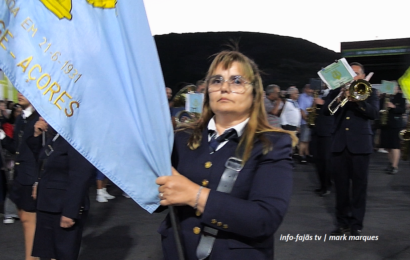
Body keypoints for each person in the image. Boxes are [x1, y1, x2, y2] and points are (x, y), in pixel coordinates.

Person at [156, 50, 295, 260]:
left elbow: (264, 219)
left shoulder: (273, 144)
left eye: (237, 81)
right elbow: (156, 200)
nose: (224, 87)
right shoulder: (180, 138)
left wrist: (195, 195)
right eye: (217, 80)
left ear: (254, 93)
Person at [323, 62, 379, 236]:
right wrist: (340, 97)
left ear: (362, 76)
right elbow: (326, 111)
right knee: (341, 188)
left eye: (355, 73)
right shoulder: (336, 91)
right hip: (339, 145)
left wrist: (358, 101)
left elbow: (374, 114)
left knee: (359, 188)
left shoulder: (370, 91)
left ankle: (356, 225)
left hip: (360, 145)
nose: (352, 76)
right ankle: (342, 223)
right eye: (349, 73)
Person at [30, 118, 94, 260]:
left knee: (64, 255)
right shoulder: (57, 136)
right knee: (46, 253)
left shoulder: (77, 137)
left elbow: (80, 176)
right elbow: (43, 161)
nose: (41, 118)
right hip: (47, 205)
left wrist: (70, 212)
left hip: (63, 207)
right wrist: (36, 136)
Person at [0, 93, 41, 260]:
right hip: (19, 177)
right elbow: (16, 148)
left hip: (32, 178)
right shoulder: (20, 119)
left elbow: (41, 152)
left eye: (25, 90)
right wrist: (2, 136)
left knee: (31, 223)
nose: (19, 94)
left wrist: (38, 180)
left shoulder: (40, 119)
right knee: (24, 221)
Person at [310, 86, 334, 196]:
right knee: (318, 160)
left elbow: (335, 107)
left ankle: (327, 185)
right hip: (317, 131)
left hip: (328, 132)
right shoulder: (321, 93)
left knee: (326, 160)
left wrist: (323, 103)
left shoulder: (335, 93)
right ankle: (322, 185)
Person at [379, 86, 406, 174]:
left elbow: (402, 110)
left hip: (396, 125)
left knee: (395, 146)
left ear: (397, 88)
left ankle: (395, 166)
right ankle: (390, 164)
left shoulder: (401, 97)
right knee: (388, 147)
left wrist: (393, 107)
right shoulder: (385, 97)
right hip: (385, 124)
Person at [298, 84, 314, 163]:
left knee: (307, 140)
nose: (311, 91)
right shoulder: (302, 97)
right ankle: (301, 155)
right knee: (303, 139)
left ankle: (307, 154)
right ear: (306, 89)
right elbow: (301, 110)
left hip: (310, 120)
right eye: (310, 89)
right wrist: (306, 119)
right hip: (305, 121)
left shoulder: (311, 97)